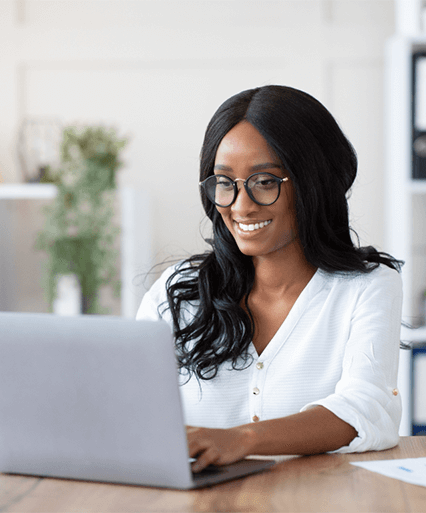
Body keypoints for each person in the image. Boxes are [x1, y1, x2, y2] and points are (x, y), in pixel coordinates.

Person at [136, 85, 403, 472]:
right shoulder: (177, 292)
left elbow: (367, 408)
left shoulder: (367, 288)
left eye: (264, 181)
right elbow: (130, 409)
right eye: (225, 183)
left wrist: (243, 439)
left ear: (313, 183)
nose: (241, 206)